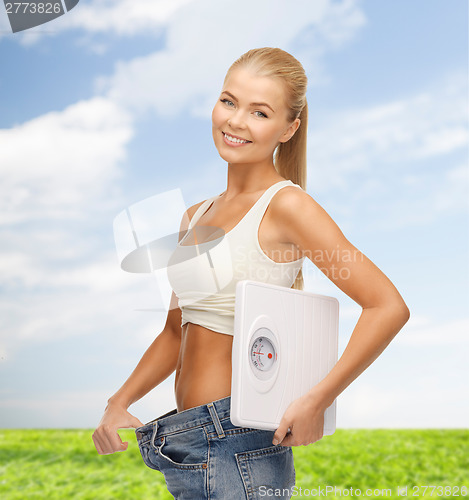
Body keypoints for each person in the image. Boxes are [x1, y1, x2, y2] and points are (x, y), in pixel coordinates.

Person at [92, 47, 410, 499]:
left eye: (259, 112)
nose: (236, 121)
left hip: (241, 442)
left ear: (289, 128)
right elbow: (174, 331)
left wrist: (318, 399)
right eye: (228, 101)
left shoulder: (287, 206)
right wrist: (118, 401)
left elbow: (387, 306)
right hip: (186, 441)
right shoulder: (194, 216)